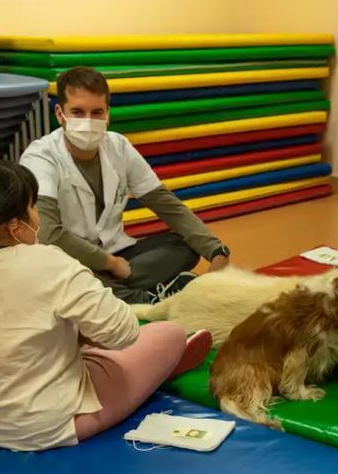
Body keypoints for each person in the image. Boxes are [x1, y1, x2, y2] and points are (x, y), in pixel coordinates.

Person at [0, 159, 212, 451]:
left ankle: (136, 368)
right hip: (44, 427)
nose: (37, 215)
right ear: (13, 226)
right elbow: (125, 333)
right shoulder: (46, 262)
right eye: (32, 206)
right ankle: (155, 371)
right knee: (168, 334)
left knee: (66, 337)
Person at [21, 67, 231, 305]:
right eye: (78, 112)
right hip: (67, 259)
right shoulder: (40, 157)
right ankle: (149, 298)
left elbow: (166, 205)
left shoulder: (119, 147)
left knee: (184, 245)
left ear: (108, 114)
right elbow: (48, 232)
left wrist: (215, 250)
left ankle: (116, 294)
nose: (88, 122)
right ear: (60, 114)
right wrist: (109, 263)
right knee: (60, 279)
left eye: (97, 112)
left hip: (118, 255)